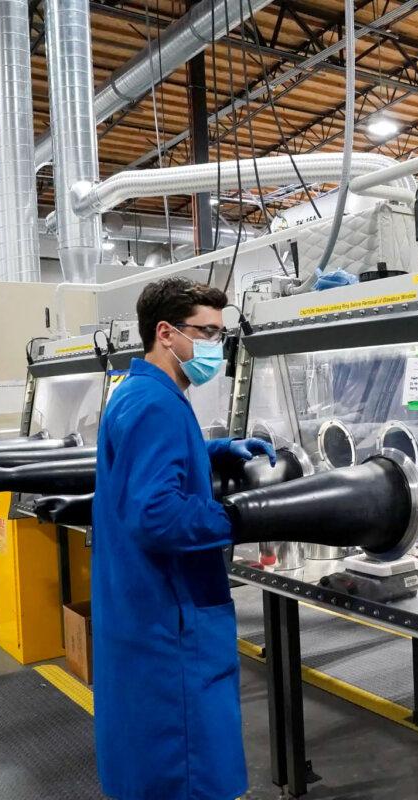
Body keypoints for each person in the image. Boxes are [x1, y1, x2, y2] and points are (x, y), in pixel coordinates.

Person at [92, 277, 275, 800]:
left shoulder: (139, 392)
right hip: (171, 622)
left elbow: (150, 467)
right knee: (189, 768)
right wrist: (240, 517)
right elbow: (157, 514)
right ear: (166, 333)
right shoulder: (158, 406)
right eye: (209, 333)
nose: (217, 347)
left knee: (145, 760)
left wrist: (215, 451)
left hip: (139, 608)